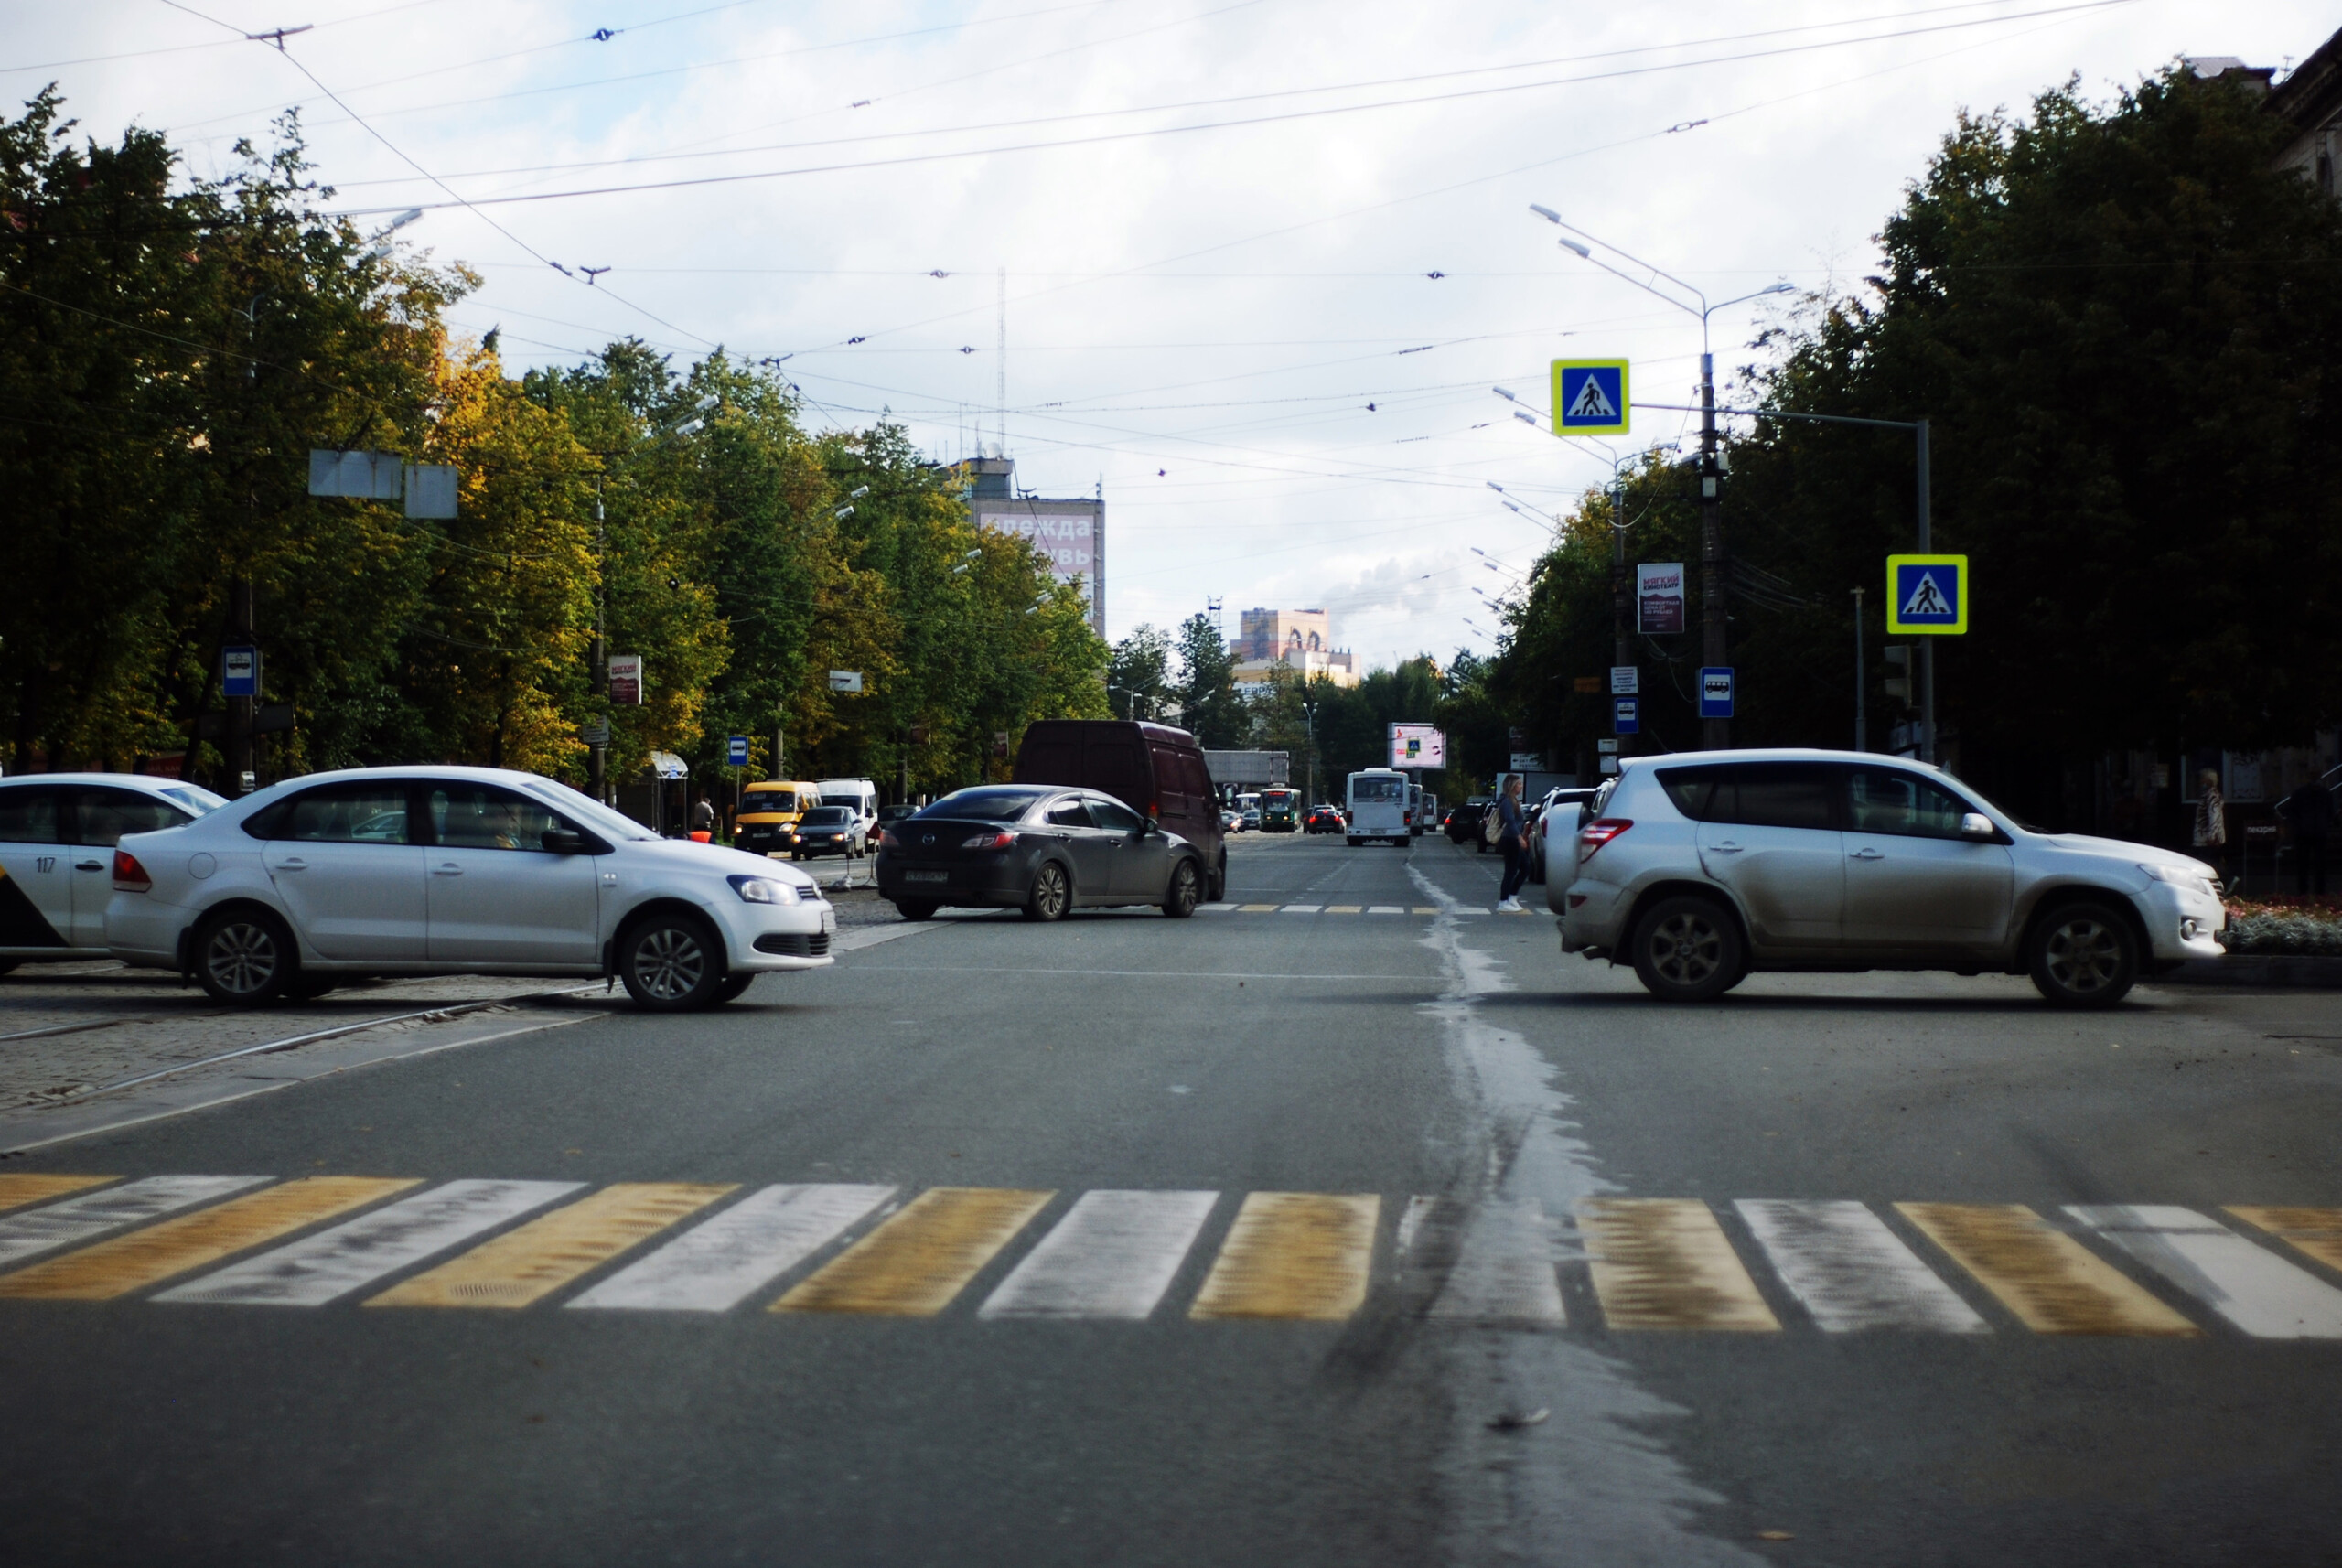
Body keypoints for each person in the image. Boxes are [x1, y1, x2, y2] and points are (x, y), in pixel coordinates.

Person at [2279, 776, 2334, 895]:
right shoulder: (2321, 793)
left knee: (2313, 864)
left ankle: (2313, 890)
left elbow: (2330, 812)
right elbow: (2292, 812)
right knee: (2308, 864)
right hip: (2308, 833)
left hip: (2313, 833)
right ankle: (2310, 890)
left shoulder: (2318, 794)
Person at [1495, 774, 1530, 913]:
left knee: (1526, 868)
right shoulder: (1507, 802)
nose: (1521, 787)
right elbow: (1510, 821)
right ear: (1512, 786)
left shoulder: (1513, 800)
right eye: (1519, 784)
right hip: (1510, 840)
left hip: (1514, 839)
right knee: (1510, 871)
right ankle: (1503, 902)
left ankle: (1512, 896)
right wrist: (1519, 838)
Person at [2192, 768, 2228, 886]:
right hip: (2206, 838)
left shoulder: (2211, 795)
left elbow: (2214, 815)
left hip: (2207, 839)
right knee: (2212, 863)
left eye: (2202, 778)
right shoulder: (2208, 795)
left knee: (2207, 864)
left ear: (2208, 780)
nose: (2200, 781)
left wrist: (2212, 836)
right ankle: (2223, 883)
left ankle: (2224, 883)